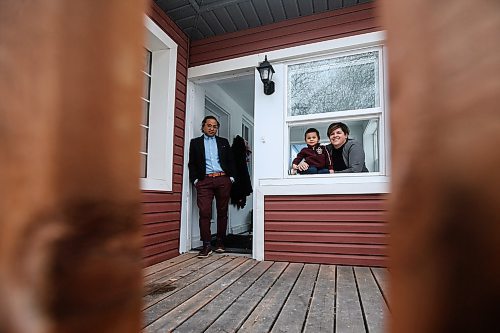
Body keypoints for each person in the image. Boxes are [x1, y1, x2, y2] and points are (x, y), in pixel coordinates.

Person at [188, 116, 235, 258]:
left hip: (222, 179)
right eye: (209, 125)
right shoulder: (195, 143)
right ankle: (206, 245)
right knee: (205, 212)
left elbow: (231, 161)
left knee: (222, 211)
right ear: (203, 126)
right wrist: (196, 180)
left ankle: (220, 241)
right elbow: (192, 163)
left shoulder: (223, 142)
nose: (212, 128)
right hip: (204, 181)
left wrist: (231, 178)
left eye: (215, 126)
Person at [296, 122, 368, 173]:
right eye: (332, 134)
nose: (335, 135)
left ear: (346, 135)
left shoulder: (354, 145)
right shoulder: (327, 148)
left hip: (360, 182)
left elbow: (355, 170)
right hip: (336, 182)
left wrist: (331, 173)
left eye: (338, 133)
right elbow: (313, 156)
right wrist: (302, 163)